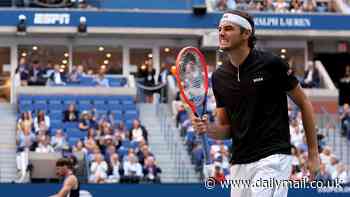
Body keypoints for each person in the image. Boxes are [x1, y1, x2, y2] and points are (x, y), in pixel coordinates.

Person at [191, 10, 320, 197]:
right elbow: (227, 129)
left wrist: (313, 154)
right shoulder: (219, 78)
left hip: (273, 157)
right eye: (220, 29)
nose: (221, 33)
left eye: (228, 28)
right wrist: (208, 129)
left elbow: (304, 103)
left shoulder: (271, 64)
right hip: (239, 162)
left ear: (246, 34)